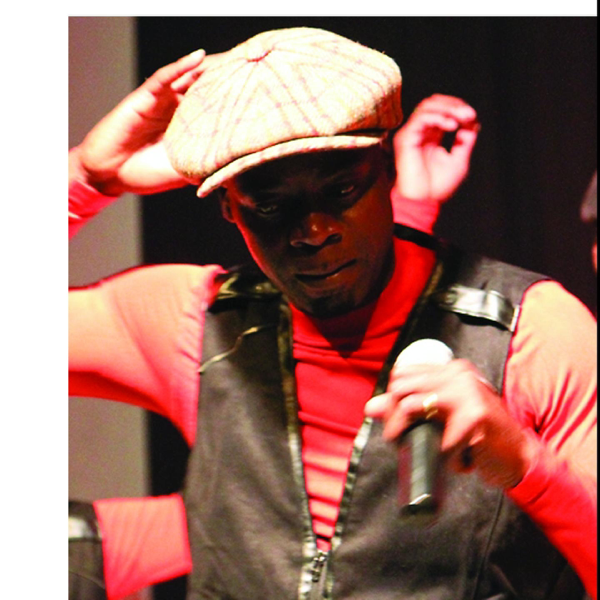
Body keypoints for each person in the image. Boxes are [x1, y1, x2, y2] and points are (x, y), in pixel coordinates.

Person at [69, 27, 596, 600]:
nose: (314, 231)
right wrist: (87, 179)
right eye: (271, 206)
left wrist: (524, 463)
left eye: (341, 190)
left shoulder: (529, 331)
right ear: (229, 207)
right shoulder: (195, 324)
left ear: (386, 168)